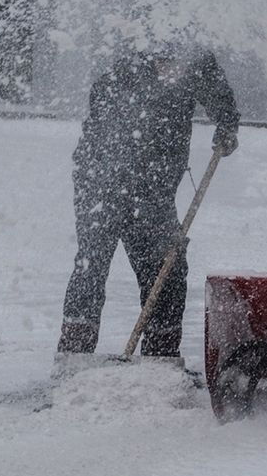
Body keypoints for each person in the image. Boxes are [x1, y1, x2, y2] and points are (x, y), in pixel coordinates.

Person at [57, 39, 240, 358]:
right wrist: (115, 177)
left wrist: (227, 124)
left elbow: (216, 89)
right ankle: (74, 352)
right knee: (92, 263)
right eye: (164, 66)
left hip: (151, 188)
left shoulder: (192, 60)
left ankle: (160, 355)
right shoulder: (123, 72)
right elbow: (99, 134)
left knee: (166, 270)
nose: (171, 72)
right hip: (101, 182)